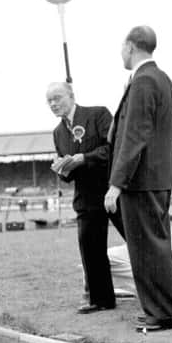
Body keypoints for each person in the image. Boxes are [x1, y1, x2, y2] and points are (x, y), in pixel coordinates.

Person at [104, 26, 172, 332]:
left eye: (121, 48)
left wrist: (116, 183)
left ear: (129, 46)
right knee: (155, 247)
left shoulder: (144, 81)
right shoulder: (162, 80)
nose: (120, 53)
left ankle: (163, 313)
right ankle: (162, 309)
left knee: (147, 249)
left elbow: (134, 135)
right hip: (157, 177)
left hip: (142, 180)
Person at [47, 81, 125, 314]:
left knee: (137, 241)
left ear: (71, 95)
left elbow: (113, 149)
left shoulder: (98, 114)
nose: (53, 104)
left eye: (57, 98)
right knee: (90, 249)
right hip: (86, 198)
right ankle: (101, 300)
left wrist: (83, 158)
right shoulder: (58, 133)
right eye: (49, 100)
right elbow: (70, 175)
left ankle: (158, 293)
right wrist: (63, 169)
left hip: (114, 190)